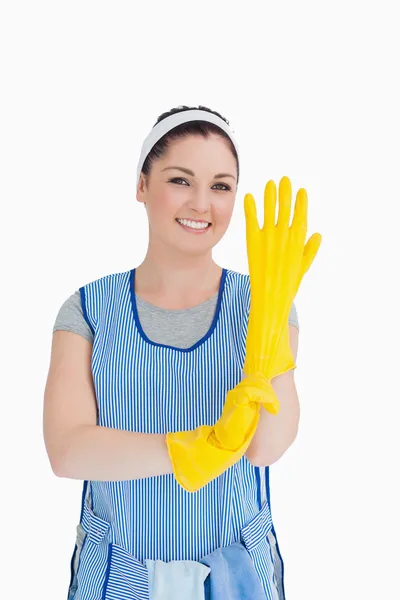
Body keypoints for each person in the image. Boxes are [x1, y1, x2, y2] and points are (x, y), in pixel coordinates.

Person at [43, 105, 304, 600]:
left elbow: (267, 447)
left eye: (221, 186)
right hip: (118, 575)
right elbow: (67, 450)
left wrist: (269, 328)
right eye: (180, 180)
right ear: (142, 185)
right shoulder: (89, 310)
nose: (201, 203)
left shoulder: (265, 305)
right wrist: (197, 450)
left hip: (236, 576)